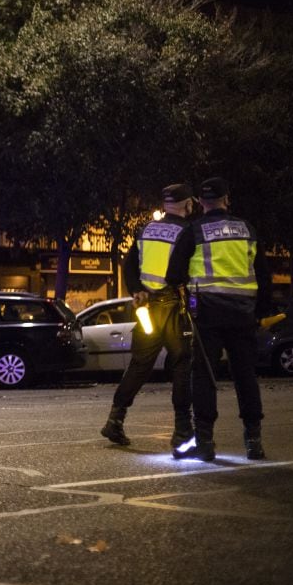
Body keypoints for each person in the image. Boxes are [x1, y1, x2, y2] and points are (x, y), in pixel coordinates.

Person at [172, 177, 271, 461]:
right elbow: (262, 274)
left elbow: (173, 274)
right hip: (242, 315)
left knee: (204, 377)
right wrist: (261, 311)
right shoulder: (247, 230)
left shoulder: (194, 230)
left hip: (208, 315)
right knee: (245, 376)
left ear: (201, 203)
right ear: (227, 199)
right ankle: (253, 441)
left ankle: (204, 442)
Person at [101, 184, 196, 454]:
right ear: (186, 204)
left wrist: (137, 291)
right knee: (181, 364)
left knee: (139, 364)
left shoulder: (145, 230)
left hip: (145, 308)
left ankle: (115, 420)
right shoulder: (187, 231)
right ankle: (182, 431)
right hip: (174, 308)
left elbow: (129, 265)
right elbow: (181, 270)